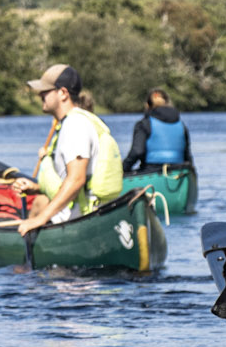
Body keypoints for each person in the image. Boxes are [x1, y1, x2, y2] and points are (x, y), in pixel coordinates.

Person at [13, 63, 125, 234]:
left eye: (45, 91)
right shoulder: (71, 123)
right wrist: (36, 187)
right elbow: (70, 179)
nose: (40, 95)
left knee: (39, 205)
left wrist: (40, 219)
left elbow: (76, 180)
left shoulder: (75, 125)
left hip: (82, 218)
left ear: (63, 93)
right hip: (87, 212)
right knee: (40, 199)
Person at [123, 88, 192, 174]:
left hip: (152, 170)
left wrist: (123, 169)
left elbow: (137, 151)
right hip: (179, 171)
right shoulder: (181, 125)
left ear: (147, 105)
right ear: (167, 103)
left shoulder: (143, 124)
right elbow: (187, 155)